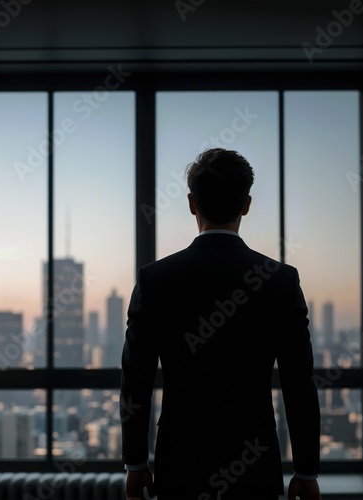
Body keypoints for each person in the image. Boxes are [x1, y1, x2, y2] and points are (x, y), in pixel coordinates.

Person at [120, 148, 321, 500]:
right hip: (254, 466)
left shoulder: (156, 280)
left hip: (180, 465)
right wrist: (306, 470)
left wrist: (135, 463)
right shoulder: (280, 281)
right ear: (246, 204)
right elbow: (299, 383)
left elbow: (136, 381)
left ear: (191, 203)